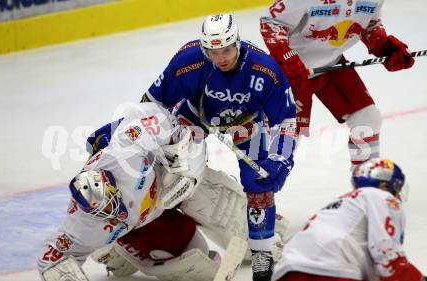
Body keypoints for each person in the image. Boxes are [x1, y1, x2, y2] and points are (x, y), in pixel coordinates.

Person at [141, 13, 297, 281]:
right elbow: (151, 103)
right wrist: (141, 139)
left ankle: (262, 253)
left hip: (248, 125)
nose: (221, 58)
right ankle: (146, 228)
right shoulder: (187, 61)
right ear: (204, 49)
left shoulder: (265, 70)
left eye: (226, 49)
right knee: (170, 170)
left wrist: (280, 159)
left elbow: (285, 119)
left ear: (237, 43)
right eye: (213, 52)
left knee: (260, 183)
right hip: (194, 117)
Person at [37, 102, 250, 281]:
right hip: (144, 223)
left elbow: (161, 118)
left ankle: (256, 232)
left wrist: (187, 170)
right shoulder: (83, 224)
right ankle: (115, 248)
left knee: (208, 198)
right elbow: (52, 257)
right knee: (197, 256)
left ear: (110, 183)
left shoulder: (122, 154)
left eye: (111, 200)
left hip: (164, 188)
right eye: (104, 211)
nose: (113, 209)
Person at [260, 0, 415, 168]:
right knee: (286, 138)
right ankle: (258, 186)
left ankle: (364, 182)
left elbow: (369, 24)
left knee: (368, 119)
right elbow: (271, 22)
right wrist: (286, 56)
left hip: (333, 65)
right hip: (292, 72)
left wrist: (386, 48)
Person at [273, 158, 425, 281]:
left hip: (285, 271)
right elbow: (386, 255)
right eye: (397, 188)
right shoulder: (381, 197)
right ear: (385, 186)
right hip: (330, 270)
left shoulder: (339, 206)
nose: (397, 196)